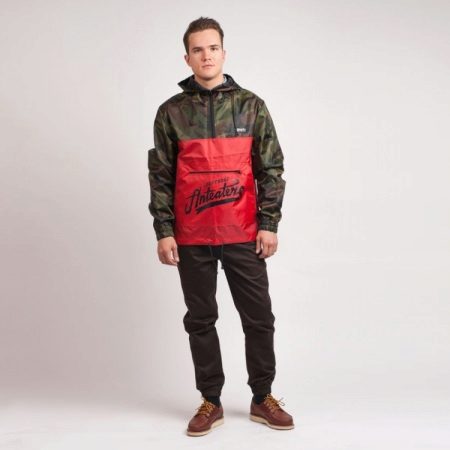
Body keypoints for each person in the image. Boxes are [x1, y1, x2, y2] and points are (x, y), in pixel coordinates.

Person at [147, 16, 294, 436]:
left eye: (213, 48)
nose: (206, 55)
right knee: (200, 320)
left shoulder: (251, 105)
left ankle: (262, 397)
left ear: (224, 53)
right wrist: (164, 230)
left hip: (243, 232)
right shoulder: (171, 112)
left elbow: (271, 168)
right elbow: (160, 175)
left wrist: (269, 223)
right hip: (191, 236)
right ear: (187, 58)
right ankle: (210, 400)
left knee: (259, 317)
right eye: (198, 49)